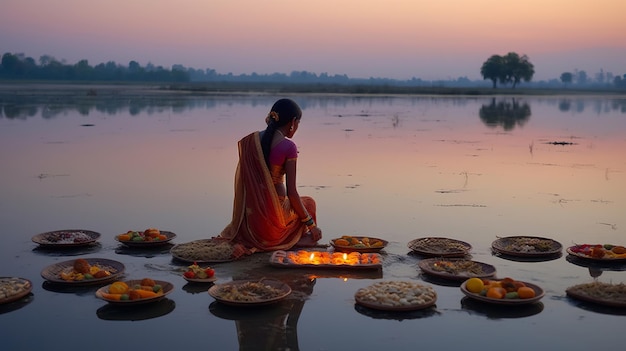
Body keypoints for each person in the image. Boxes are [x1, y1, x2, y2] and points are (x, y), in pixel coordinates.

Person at [219, 98, 322, 258]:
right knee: (309, 203)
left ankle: (288, 238)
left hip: (252, 219)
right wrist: (312, 225)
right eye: (298, 123)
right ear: (293, 122)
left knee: (302, 205)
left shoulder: (250, 141)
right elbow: (292, 193)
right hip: (275, 216)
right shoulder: (288, 147)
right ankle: (293, 239)